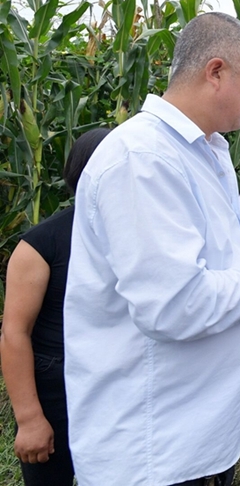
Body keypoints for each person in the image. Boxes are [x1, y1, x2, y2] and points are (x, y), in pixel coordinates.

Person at [63, 13, 240, 486]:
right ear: (216, 71)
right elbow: (177, 304)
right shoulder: (144, 160)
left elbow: (218, 268)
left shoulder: (205, 152)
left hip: (196, 437)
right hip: (157, 450)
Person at [0, 128, 109, 485]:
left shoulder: (144, 235)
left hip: (118, 386)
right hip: (56, 388)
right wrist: (30, 418)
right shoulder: (42, 244)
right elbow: (15, 332)